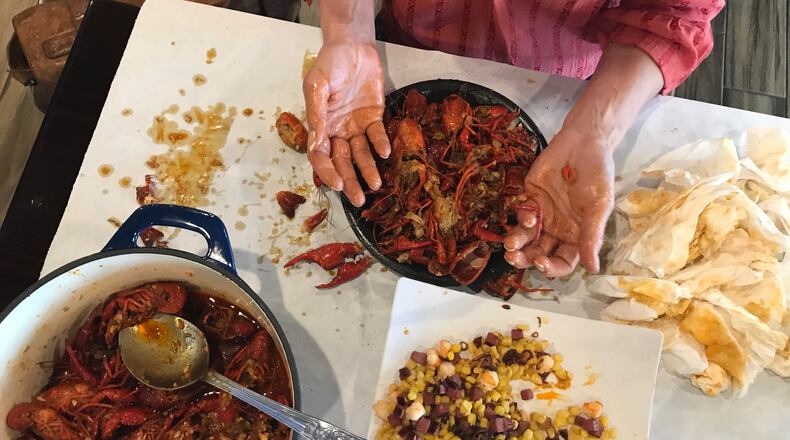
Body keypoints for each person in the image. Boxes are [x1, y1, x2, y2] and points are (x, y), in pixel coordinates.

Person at [301, 0, 724, 278]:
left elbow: (672, 14)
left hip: (563, 79)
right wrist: (349, 33)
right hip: (407, 43)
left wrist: (594, 127)